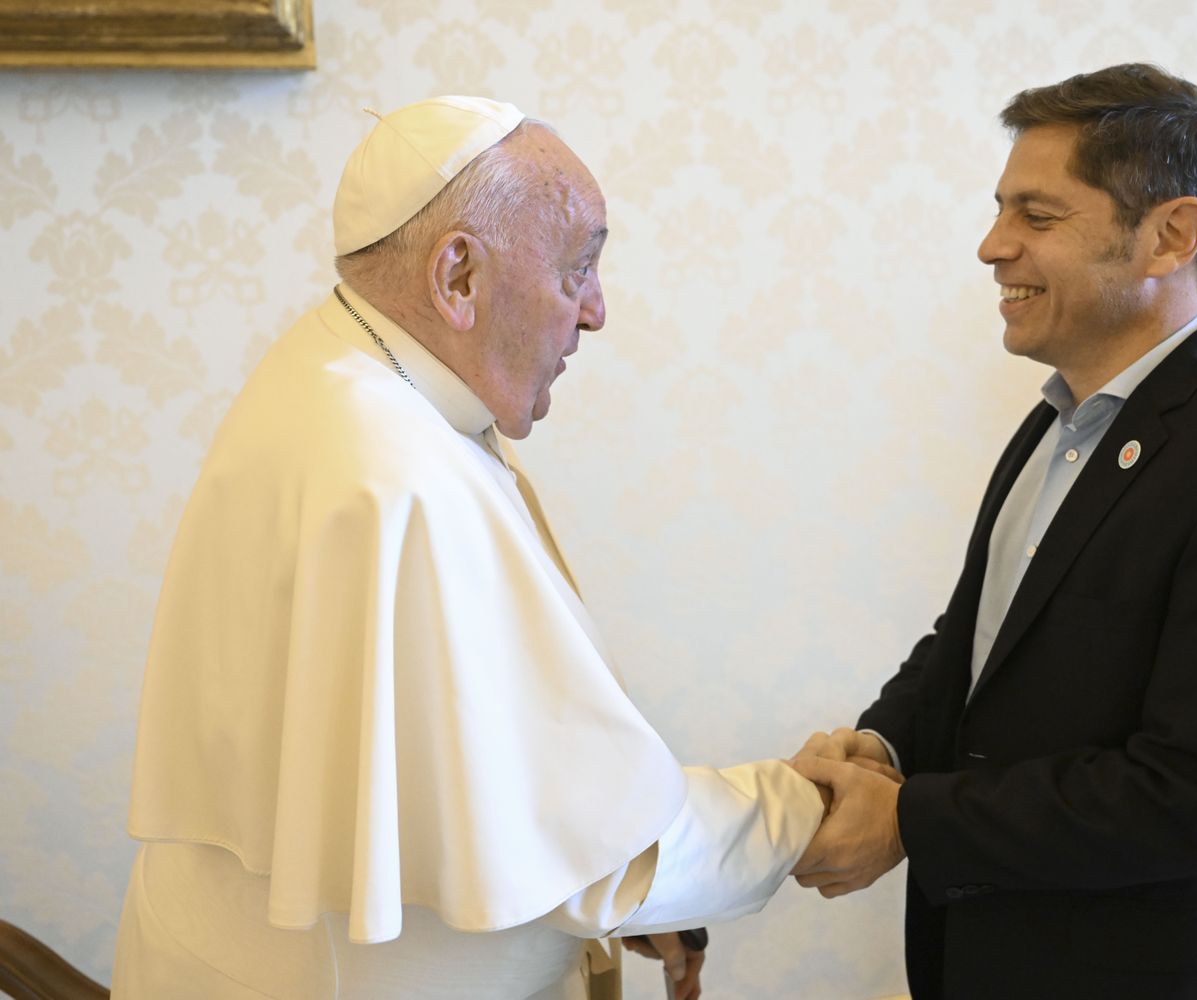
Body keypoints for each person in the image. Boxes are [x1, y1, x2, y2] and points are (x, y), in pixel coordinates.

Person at [112, 96, 824, 1000]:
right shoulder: (390, 469)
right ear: (458, 277)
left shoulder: (342, 381)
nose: (597, 313)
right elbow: (589, 852)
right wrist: (809, 812)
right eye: (579, 270)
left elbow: (502, 805)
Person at [791, 65, 1197, 1000]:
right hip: (989, 953)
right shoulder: (1053, 424)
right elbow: (973, 649)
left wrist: (912, 820)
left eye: (1038, 215)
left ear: (1170, 236)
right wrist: (884, 748)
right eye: (999, 210)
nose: (992, 245)